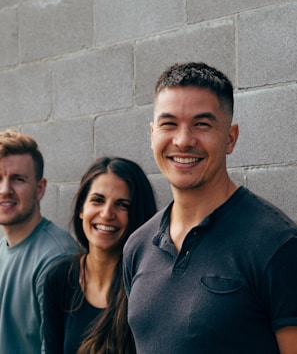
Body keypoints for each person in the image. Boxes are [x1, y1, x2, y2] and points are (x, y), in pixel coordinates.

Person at [123, 62, 297, 353]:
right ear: (152, 134)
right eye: (169, 124)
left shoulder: (277, 245)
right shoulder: (137, 247)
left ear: (230, 138)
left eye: (202, 124)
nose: (183, 140)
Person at [43, 156, 157, 353]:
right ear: (81, 209)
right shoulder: (59, 277)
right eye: (97, 200)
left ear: (137, 215)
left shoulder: (149, 284)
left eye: (122, 205)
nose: (106, 214)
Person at [0, 129, 78, 353]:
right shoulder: (3, 248)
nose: (5, 190)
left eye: (18, 179)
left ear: (40, 189)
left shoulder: (57, 257)